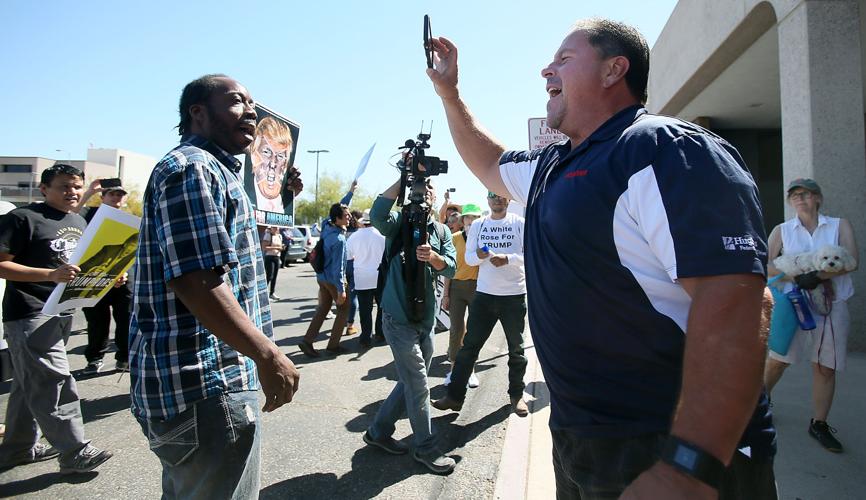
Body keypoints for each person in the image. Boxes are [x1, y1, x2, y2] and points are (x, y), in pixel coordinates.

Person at [428, 19, 776, 499]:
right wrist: (451, 94)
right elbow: (489, 161)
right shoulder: (552, 165)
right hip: (583, 443)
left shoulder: (666, 149)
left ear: (615, 70)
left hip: (665, 449)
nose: (545, 70)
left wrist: (689, 465)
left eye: (564, 59)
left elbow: (740, 303)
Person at [130, 74, 300, 498]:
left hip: (202, 391)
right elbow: (197, 281)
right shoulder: (193, 168)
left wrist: (283, 196)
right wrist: (268, 354)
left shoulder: (217, 174)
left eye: (254, 103)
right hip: (206, 387)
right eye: (238, 101)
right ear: (198, 112)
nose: (253, 112)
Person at [0, 163, 113, 474]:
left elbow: (78, 268)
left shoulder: (77, 220)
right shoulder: (22, 218)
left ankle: (17, 449)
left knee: (29, 383)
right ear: (44, 189)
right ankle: (74, 452)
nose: (72, 192)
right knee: (54, 382)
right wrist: (49, 275)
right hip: (29, 313)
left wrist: (108, 277)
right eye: (63, 186)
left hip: (61, 313)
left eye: (76, 186)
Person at [362, 174, 457, 474]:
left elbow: (452, 268)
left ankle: (378, 431)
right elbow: (377, 213)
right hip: (397, 317)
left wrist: (435, 259)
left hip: (425, 320)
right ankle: (426, 447)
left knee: (409, 381)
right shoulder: (397, 224)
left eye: (428, 187)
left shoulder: (441, 231)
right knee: (418, 383)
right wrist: (403, 178)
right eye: (419, 187)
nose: (424, 191)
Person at [763, 178, 858, 453]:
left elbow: (852, 260)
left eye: (805, 194)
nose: (800, 199)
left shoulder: (840, 225)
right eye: (794, 195)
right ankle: (759, 404)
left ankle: (819, 423)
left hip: (832, 304)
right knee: (779, 360)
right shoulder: (782, 230)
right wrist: (796, 272)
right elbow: (762, 263)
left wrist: (818, 275)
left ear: (817, 198)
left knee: (825, 366)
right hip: (792, 303)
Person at [434, 192, 528, 415]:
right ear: (488, 200)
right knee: (469, 349)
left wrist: (508, 259)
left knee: (517, 350)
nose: (497, 199)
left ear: (509, 200)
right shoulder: (478, 225)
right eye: (493, 196)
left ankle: (516, 395)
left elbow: (531, 253)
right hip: (484, 295)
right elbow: (468, 259)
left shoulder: (520, 224)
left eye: (502, 196)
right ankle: (454, 397)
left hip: (514, 295)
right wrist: (482, 253)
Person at [77, 182, 133, 374]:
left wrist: (123, 270)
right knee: (96, 321)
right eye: (112, 194)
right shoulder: (87, 214)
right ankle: (94, 358)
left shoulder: (130, 219)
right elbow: (70, 214)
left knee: (125, 318)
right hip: (94, 276)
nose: (116, 197)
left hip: (122, 278)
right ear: (103, 197)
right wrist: (88, 193)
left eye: (120, 194)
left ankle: (124, 357)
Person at [298, 202, 351, 357]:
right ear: (337, 218)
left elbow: (336, 208)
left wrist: (350, 193)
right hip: (333, 280)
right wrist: (341, 289)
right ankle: (333, 345)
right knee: (343, 309)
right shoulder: (339, 239)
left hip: (321, 277)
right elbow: (338, 268)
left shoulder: (327, 226)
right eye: (346, 215)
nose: (349, 217)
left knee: (323, 309)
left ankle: (307, 341)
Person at [440, 202, 482, 384]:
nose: (471, 220)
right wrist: (446, 294)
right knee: (456, 329)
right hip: (456, 288)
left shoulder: (485, 237)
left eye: (475, 217)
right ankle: (453, 369)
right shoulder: (455, 237)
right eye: (468, 217)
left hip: (478, 288)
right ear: (462, 219)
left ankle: (470, 370)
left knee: (474, 330)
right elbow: (449, 268)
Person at [346, 209, 386, 348]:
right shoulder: (381, 236)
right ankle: (380, 333)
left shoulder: (353, 237)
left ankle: (365, 337)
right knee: (381, 307)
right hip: (379, 276)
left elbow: (349, 257)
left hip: (361, 277)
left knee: (365, 309)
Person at [250, 116, 293, 213]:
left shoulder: (285, 206)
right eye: (266, 152)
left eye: (281, 156)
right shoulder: (243, 196)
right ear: (254, 155)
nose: (273, 163)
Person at [345, 209, 363, 336]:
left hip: (344, 264)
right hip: (355, 264)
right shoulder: (358, 233)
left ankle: (346, 322)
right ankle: (350, 325)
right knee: (354, 296)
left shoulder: (344, 231)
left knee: (349, 294)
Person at [261, 226, 283, 301]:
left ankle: (272, 293)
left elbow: (280, 246)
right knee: (269, 275)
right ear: (271, 228)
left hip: (277, 256)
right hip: (269, 257)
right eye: (274, 227)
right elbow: (264, 247)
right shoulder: (268, 235)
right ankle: (263, 293)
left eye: (277, 228)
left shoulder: (279, 236)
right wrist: (275, 248)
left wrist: (281, 248)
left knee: (274, 276)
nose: (276, 229)